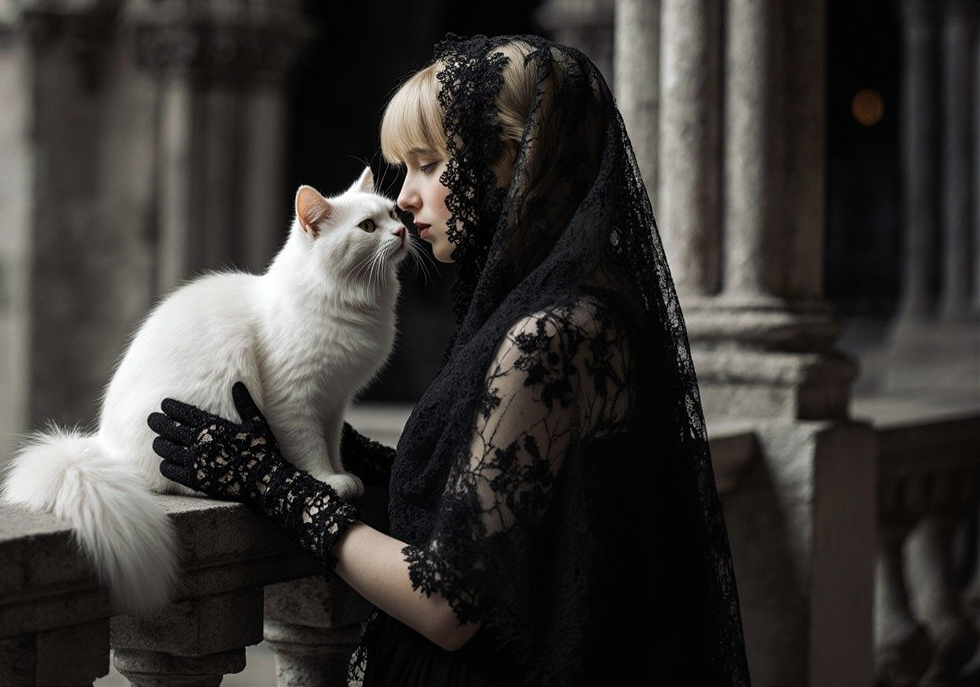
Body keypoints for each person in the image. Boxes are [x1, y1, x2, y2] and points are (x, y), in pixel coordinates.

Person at [148, 34, 751, 685]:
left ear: (514, 165)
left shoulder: (546, 336)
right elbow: (505, 506)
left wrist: (278, 488)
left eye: (428, 164)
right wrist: (332, 445)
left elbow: (448, 603)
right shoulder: (593, 307)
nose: (404, 197)